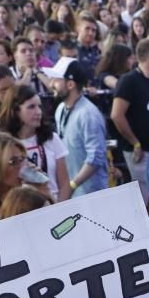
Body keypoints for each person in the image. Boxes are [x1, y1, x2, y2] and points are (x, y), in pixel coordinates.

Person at [111, 38, 149, 205]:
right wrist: (134, 142)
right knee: (144, 199)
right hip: (141, 151)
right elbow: (117, 114)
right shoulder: (129, 81)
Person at [0, 84, 71, 201]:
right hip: (22, 209)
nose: (38, 112)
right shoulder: (4, 144)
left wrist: (60, 209)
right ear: (15, 111)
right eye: (31, 107)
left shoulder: (52, 138)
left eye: (39, 106)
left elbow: (65, 184)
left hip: (54, 204)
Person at [46, 57, 109, 197]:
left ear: (70, 84)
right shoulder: (61, 109)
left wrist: (72, 184)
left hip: (91, 194)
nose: (51, 84)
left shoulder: (89, 115)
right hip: (73, 191)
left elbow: (96, 158)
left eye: (56, 80)